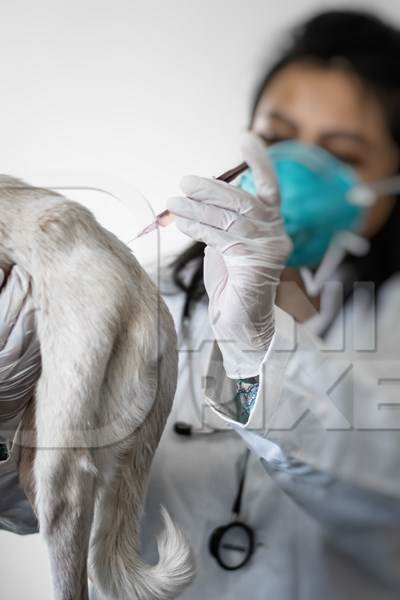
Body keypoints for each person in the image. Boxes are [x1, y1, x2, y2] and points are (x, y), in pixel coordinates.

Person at [2, 9, 400, 600]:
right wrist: (8, 408)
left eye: (340, 155)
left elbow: (386, 507)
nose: (290, 173)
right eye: (274, 141)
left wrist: (254, 349)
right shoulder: (147, 300)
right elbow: (31, 508)